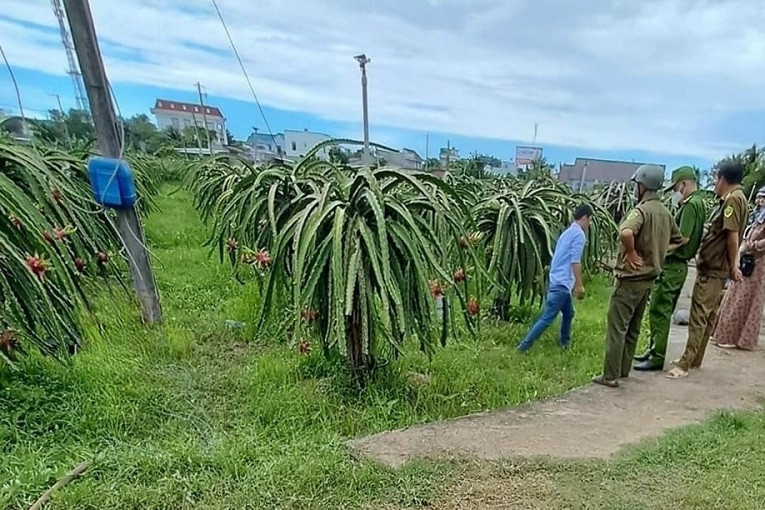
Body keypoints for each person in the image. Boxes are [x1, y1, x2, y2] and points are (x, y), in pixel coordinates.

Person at [592, 165, 685, 388]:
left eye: (636, 184)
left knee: (617, 328)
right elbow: (681, 239)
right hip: (649, 279)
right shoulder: (665, 212)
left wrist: (632, 252)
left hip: (630, 279)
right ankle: (624, 371)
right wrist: (660, 250)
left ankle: (610, 375)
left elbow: (625, 232)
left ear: (642, 185)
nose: (635, 188)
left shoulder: (641, 211)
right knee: (633, 328)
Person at [667, 160, 748, 379]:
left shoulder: (732, 200)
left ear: (722, 178)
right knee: (709, 315)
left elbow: (732, 237)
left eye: (716, 178)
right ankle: (695, 359)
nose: (714, 183)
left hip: (714, 268)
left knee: (699, 316)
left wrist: (734, 266)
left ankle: (684, 364)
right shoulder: (737, 199)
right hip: (716, 267)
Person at [634, 166, 706, 371]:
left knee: (659, 309)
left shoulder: (692, 205)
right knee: (662, 309)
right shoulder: (697, 203)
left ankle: (657, 356)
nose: (675, 192)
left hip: (674, 266)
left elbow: (683, 238)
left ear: (683, 184)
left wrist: (659, 250)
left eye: (676, 187)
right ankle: (654, 349)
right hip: (678, 267)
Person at [517, 203, 592, 352]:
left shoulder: (567, 232)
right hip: (562, 283)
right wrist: (579, 285)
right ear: (584, 217)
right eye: (589, 220)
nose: (589, 224)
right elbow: (575, 261)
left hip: (556, 279)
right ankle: (523, 346)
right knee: (548, 317)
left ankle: (565, 343)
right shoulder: (579, 234)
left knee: (569, 313)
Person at [709, 186, 765, 351]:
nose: (760, 201)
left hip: (757, 265)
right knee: (732, 297)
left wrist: (751, 246)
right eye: (759, 198)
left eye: (763, 198)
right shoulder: (757, 218)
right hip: (746, 261)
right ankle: (723, 334)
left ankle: (736, 338)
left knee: (743, 300)